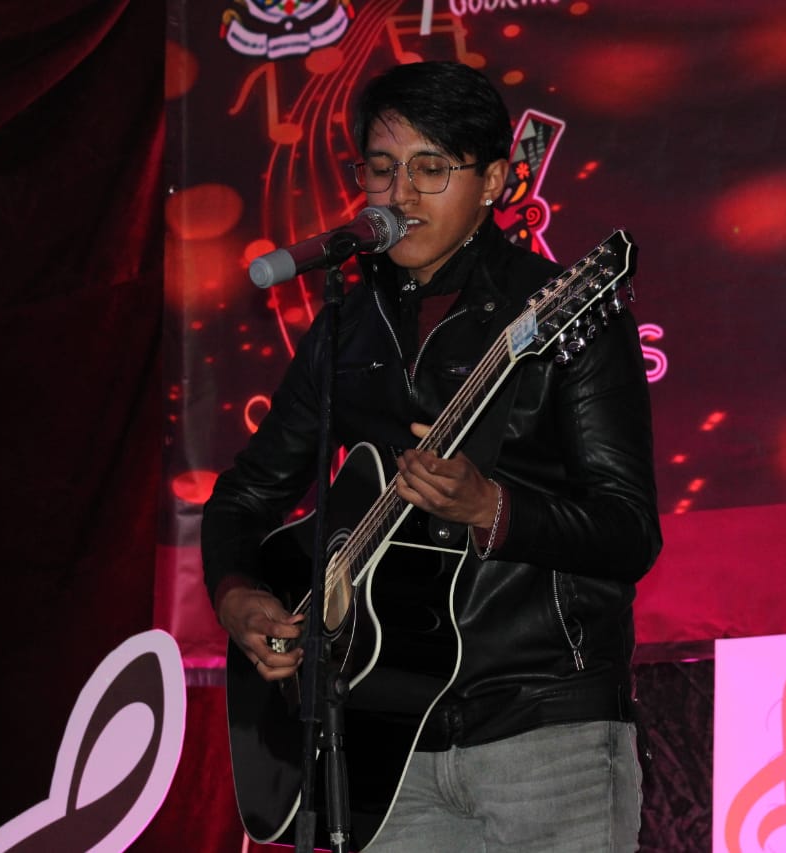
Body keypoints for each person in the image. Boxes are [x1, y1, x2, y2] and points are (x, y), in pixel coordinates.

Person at [202, 60, 662, 852]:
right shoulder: (346, 327)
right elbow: (245, 495)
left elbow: (628, 531)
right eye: (382, 169)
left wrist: (493, 509)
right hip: (385, 749)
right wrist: (238, 593)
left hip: (545, 727)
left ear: (492, 183)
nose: (401, 194)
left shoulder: (554, 312)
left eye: (431, 168)